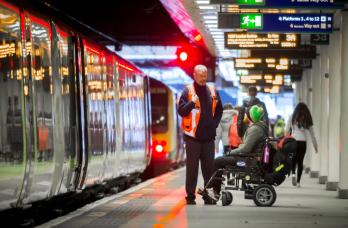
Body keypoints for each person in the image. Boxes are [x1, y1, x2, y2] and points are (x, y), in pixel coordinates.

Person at [202, 105, 269, 201]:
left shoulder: (255, 129)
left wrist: (230, 153)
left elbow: (246, 149)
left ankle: (215, 192)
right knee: (220, 161)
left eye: (247, 114)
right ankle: (214, 190)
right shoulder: (258, 127)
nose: (245, 116)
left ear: (251, 117)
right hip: (250, 158)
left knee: (218, 161)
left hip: (247, 161)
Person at [178, 64, 223, 205]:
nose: (204, 78)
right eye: (201, 75)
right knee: (192, 168)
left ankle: (207, 195)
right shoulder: (188, 91)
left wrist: (214, 124)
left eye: (205, 76)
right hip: (193, 138)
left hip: (209, 137)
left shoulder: (212, 89)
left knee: (208, 169)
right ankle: (190, 196)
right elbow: (181, 111)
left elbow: (220, 109)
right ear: (194, 75)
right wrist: (192, 103)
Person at [285, 102, 318, 188]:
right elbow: (312, 134)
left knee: (293, 159)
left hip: (293, 140)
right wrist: (315, 146)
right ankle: (298, 182)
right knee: (300, 161)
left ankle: (293, 174)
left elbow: (287, 129)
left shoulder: (292, 116)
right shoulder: (307, 118)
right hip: (303, 142)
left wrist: (286, 140)